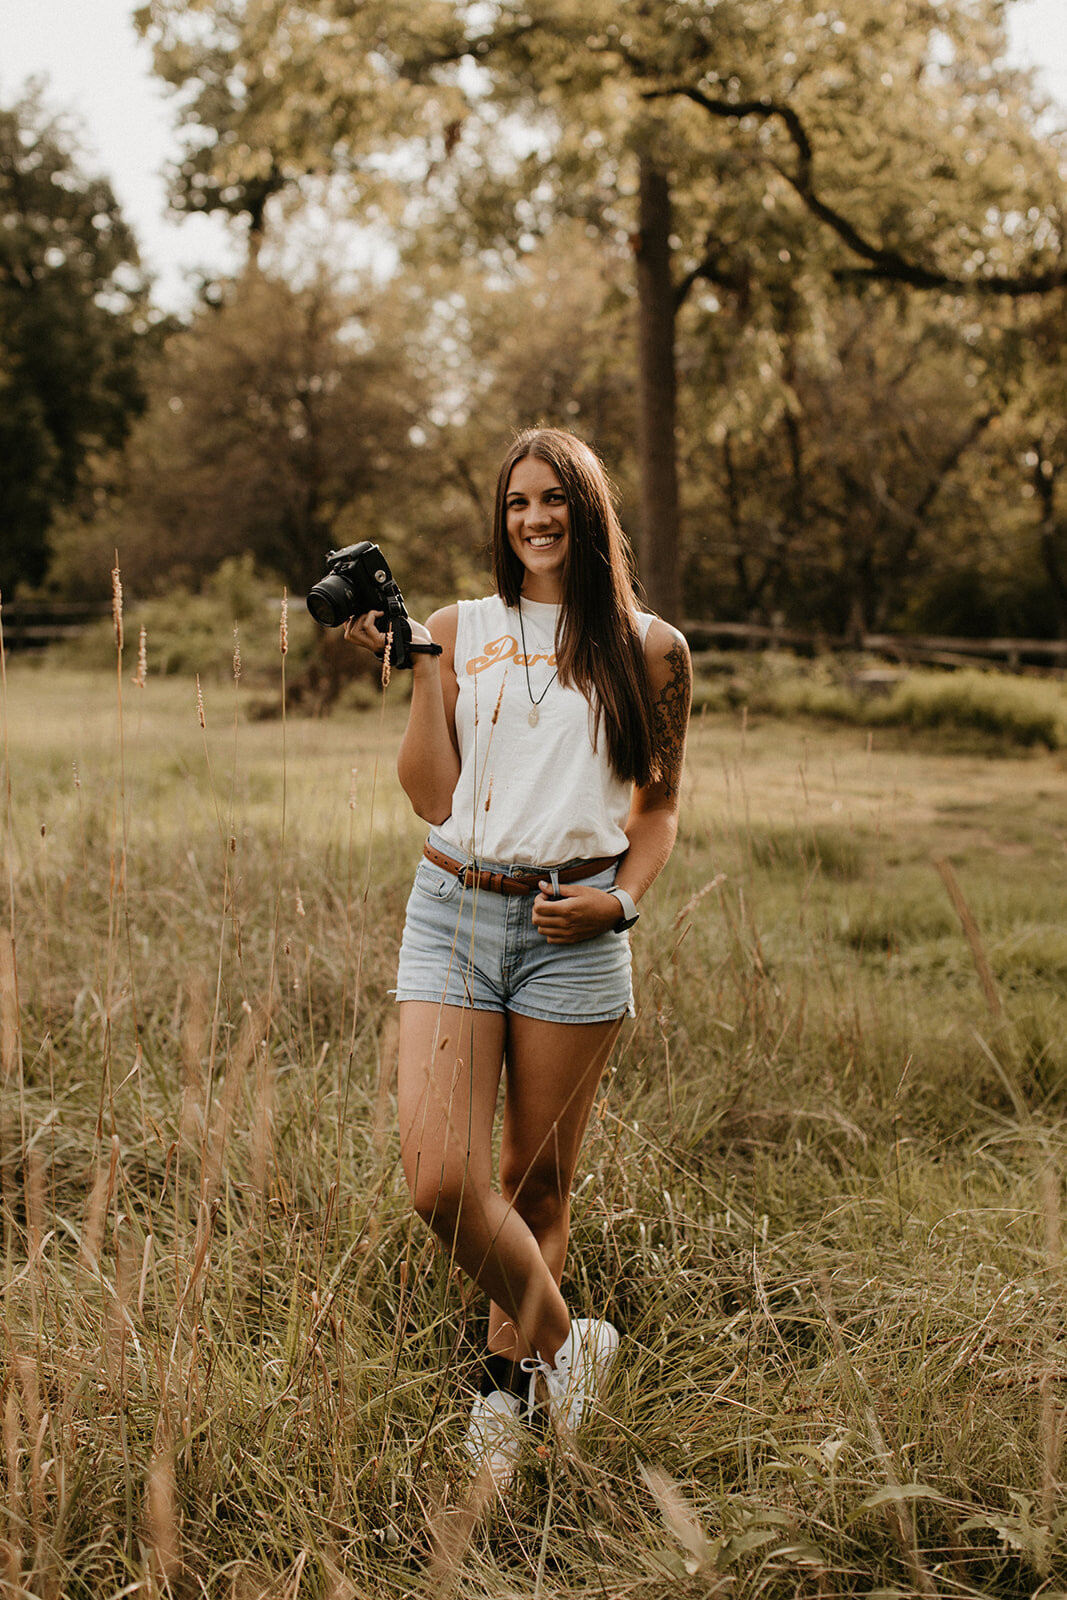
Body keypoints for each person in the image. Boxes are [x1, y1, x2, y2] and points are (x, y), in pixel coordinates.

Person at [344, 427, 691, 1488]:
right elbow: (428, 794)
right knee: (442, 1181)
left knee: (534, 1184)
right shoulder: (458, 626)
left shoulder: (650, 648)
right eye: (516, 504)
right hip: (452, 906)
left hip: (570, 932)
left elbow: (658, 810)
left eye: (554, 501)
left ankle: (502, 1400)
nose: (534, 520)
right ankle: (567, 1345)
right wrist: (420, 671)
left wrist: (618, 908)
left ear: (587, 515)